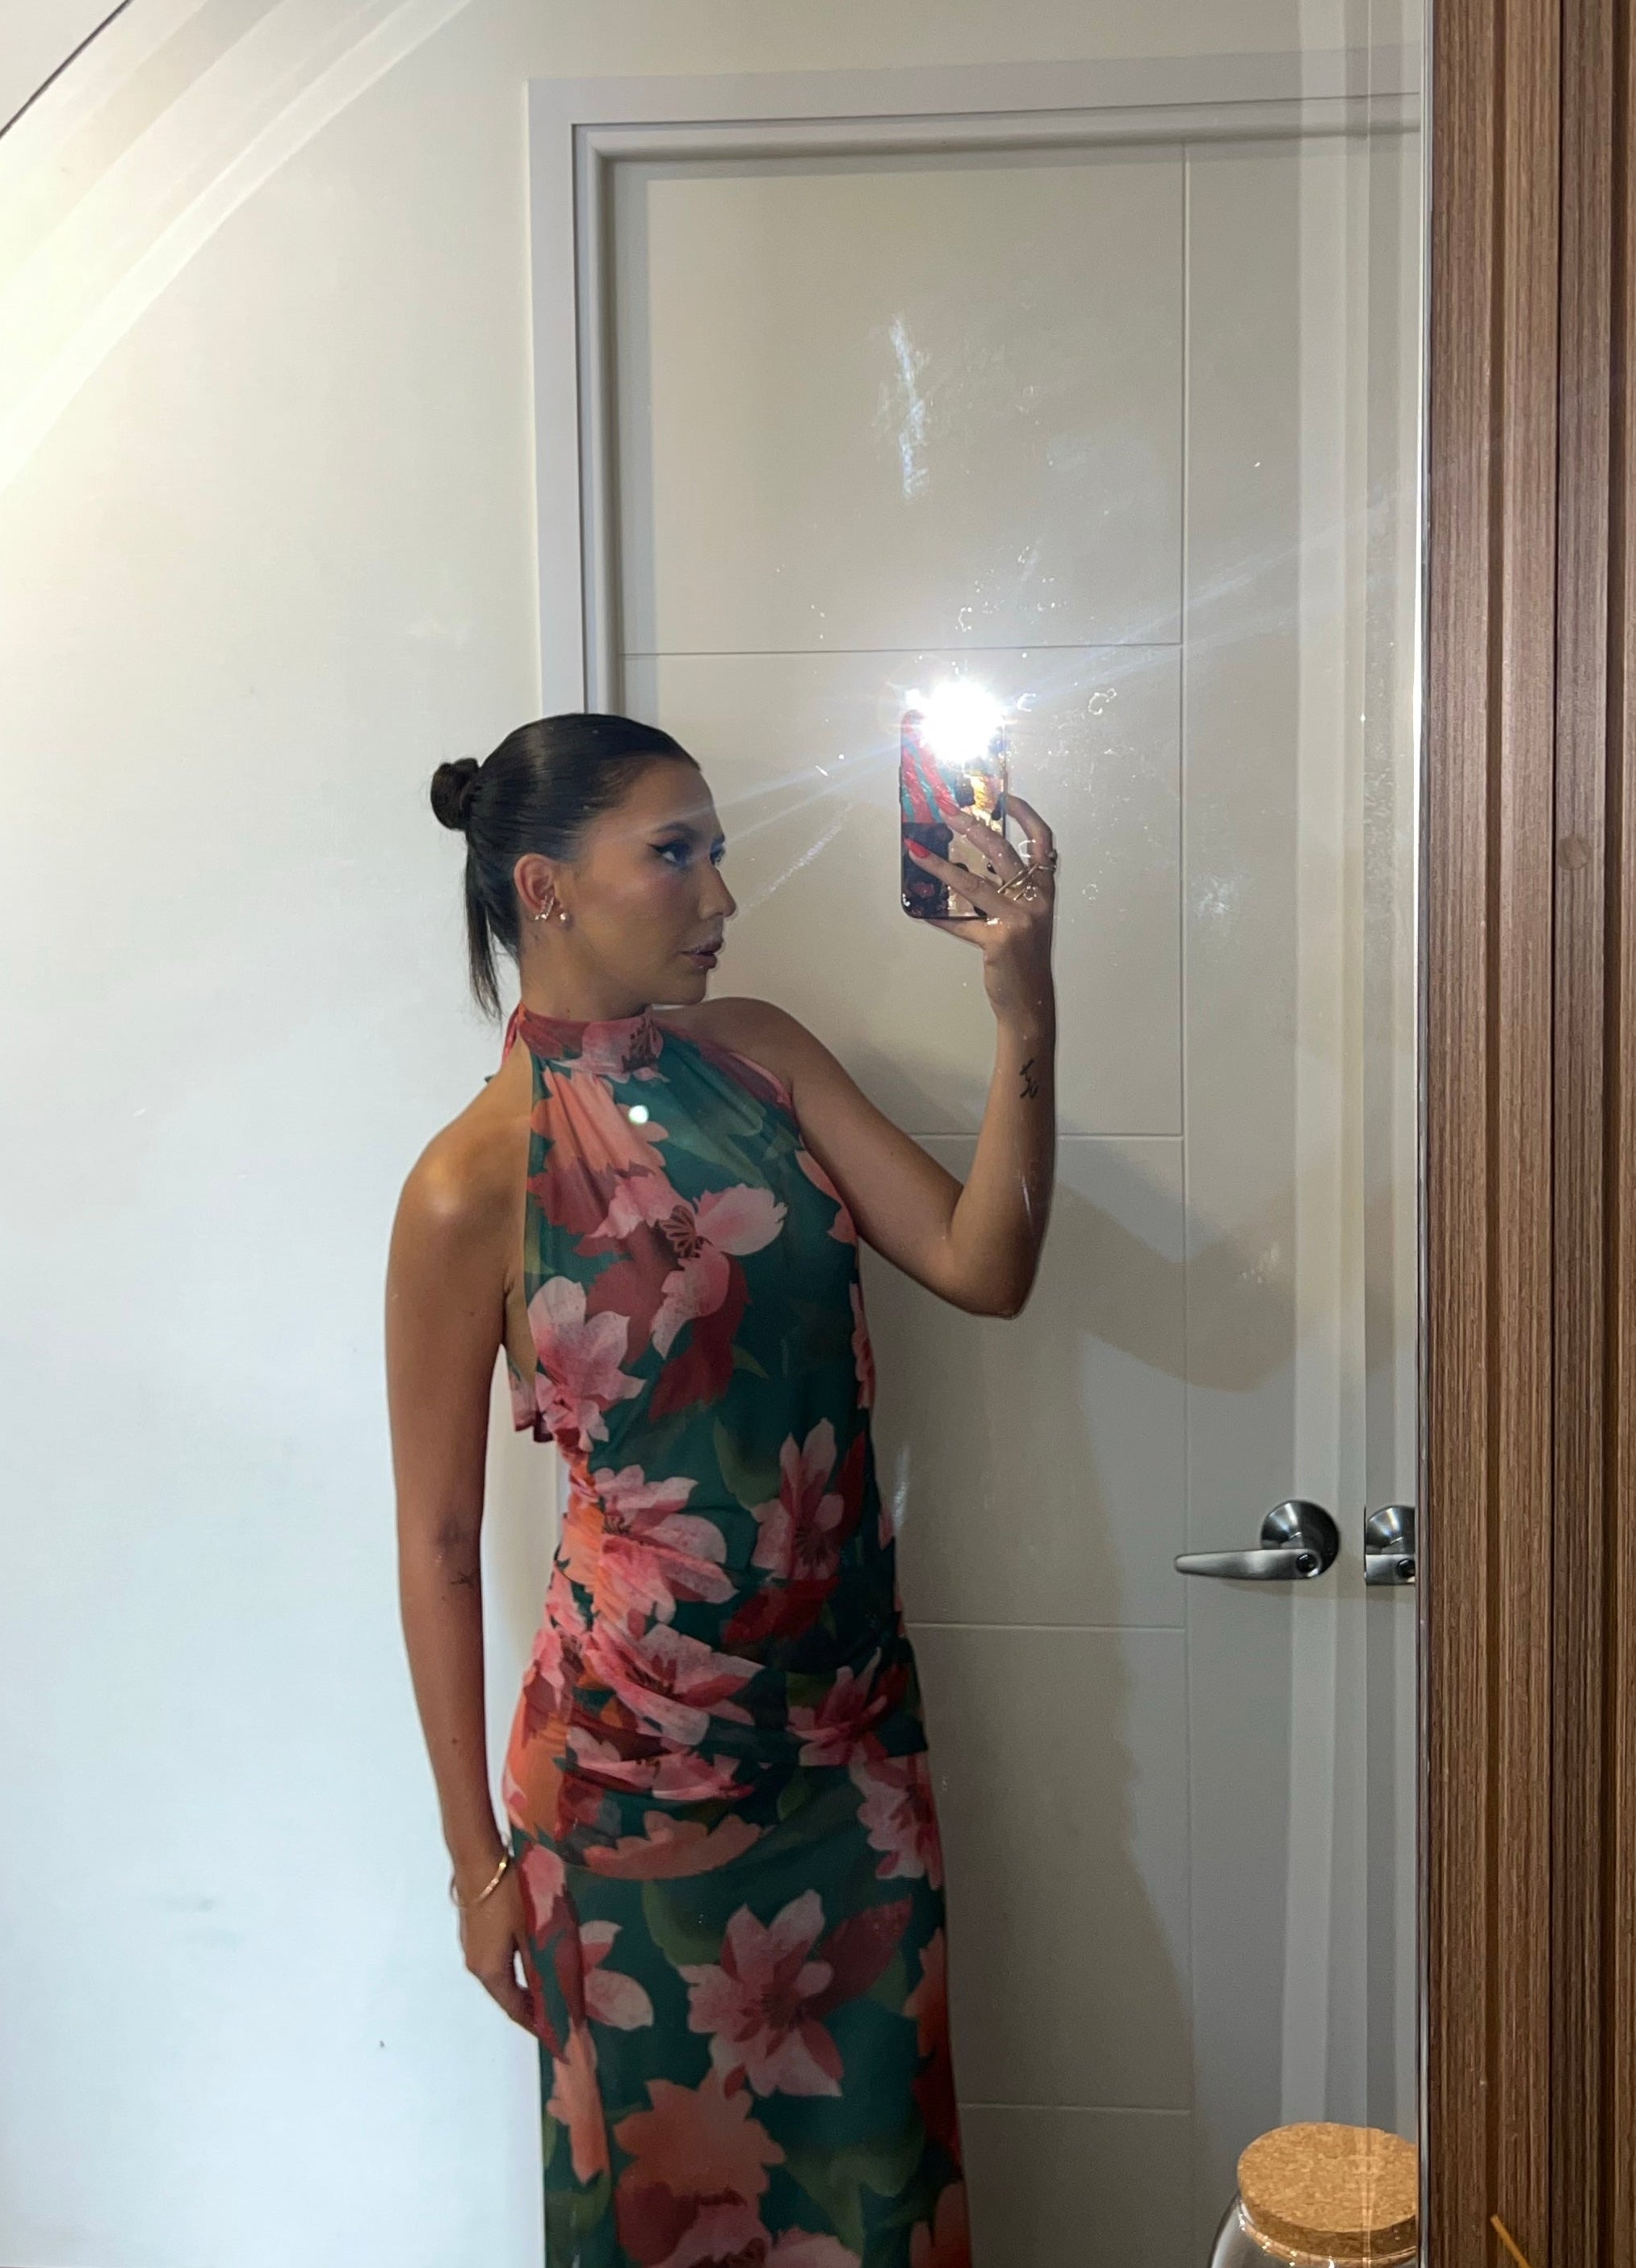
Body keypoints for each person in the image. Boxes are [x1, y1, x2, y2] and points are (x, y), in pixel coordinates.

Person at [385, 711, 1057, 2268]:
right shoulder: (468, 1184)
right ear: (545, 887)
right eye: (674, 853)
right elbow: (437, 1541)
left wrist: (1023, 1004)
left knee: (883, 2205)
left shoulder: (763, 1053)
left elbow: (987, 1262)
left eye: (718, 849)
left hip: (849, 1757)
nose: (721, 894)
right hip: (623, 1791)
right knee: (663, 2222)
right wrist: (476, 1864)